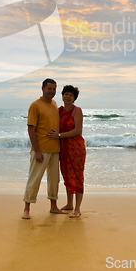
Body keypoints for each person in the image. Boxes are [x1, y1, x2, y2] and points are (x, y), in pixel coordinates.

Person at [22, 78, 65, 219]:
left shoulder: (54, 104)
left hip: (55, 149)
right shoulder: (35, 105)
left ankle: (54, 206)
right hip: (41, 149)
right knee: (34, 179)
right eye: (49, 89)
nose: (52, 91)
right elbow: (31, 129)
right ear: (42, 88)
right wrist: (37, 151)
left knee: (54, 180)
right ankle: (26, 208)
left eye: (54, 89)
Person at [47, 85, 85, 218]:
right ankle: (69, 204)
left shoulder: (77, 110)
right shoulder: (59, 111)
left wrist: (58, 136)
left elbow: (77, 131)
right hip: (63, 148)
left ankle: (77, 208)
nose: (67, 97)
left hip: (76, 148)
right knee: (67, 176)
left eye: (70, 95)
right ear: (62, 96)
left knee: (77, 177)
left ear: (74, 98)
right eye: (65, 94)